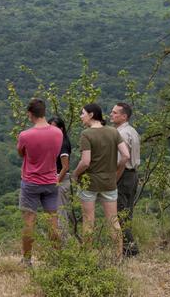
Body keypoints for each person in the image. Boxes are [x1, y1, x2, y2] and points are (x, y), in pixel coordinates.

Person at [72, 103, 130, 257]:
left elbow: (85, 162)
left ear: (91, 115)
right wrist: (116, 171)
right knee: (113, 221)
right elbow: (126, 155)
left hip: (89, 183)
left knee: (88, 221)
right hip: (109, 182)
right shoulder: (113, 132)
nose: (81, 116)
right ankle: (118, 257)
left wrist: (75, 174)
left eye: (83, 113)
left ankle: (87, 257)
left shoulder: (86, 134)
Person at [17, 98, 64, 266]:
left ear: (30, 114)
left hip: (31, 182)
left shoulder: (25, 135)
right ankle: (57, 259)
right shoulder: (58, 133)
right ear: (44, 112)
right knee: (53, 222)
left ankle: (27, 260)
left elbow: (21, 153)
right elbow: (56, 154)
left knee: (29, 222)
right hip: (51, 181)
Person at [110, 102, 141, 256]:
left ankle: (130, 250)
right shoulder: (132, 131)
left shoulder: (121, 134)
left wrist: (115, 179)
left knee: (120, 214)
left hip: (123, 174)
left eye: (115, 112)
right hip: (133, 175)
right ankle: (127, 248)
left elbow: (122, 159)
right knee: (127, 213)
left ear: (124, 116)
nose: (111, 114)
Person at [48, 116, 74, 238]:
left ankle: (64, 241)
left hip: (61, 179)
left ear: (61, 129)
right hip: (57, 178)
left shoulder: (63, 144)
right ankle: (58, 240)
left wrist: (56, 182)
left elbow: (65, 167)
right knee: (56, 213)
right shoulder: (57, 141)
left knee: (60, 213)